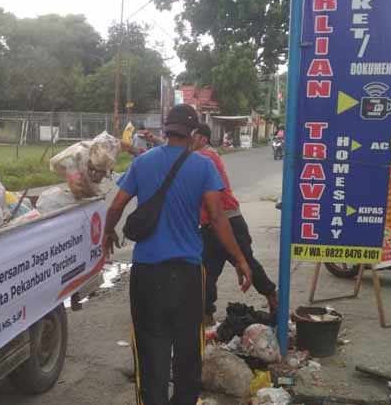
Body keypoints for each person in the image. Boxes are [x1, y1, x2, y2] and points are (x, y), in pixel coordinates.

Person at [103, 106, 253, 405]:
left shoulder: (143, 163)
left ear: (165, 130)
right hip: (187, 273)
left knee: (150, 347)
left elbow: (117, 205)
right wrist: (240, 259)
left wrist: (108, 232)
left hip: (147, 272)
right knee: (187, 348)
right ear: (194, 133)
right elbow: (218, 217)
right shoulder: (203, 165)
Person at [192, 124, 278, 323]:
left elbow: (177, 159)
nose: (188, 141)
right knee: (205, 272)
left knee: (247, 263)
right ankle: (206, 313)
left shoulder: (207, 156)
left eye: (192, 136)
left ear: (203, 140)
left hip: (229, 221)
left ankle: (271, 295)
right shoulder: (197, 157)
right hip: (208, 226)